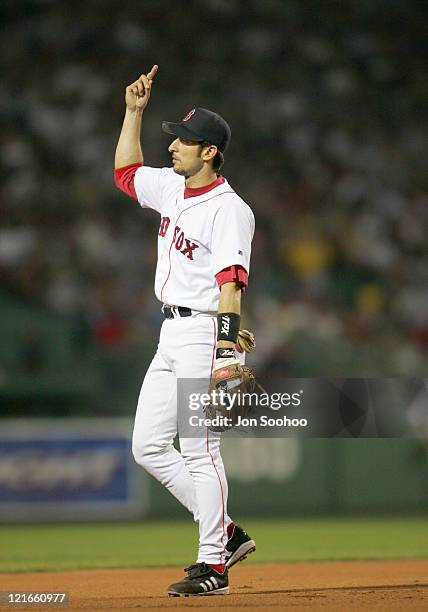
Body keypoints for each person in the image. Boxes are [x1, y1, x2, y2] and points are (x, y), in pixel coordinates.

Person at [114, 65, 256, 597]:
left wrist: (225, 352)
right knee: (148, 447)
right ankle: (227, 532)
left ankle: (213, 566)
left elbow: (231, 285)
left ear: (210, 152)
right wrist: (133, 113)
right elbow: (126, 174)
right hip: (168, 334)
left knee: (200, 449)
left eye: (185, 140)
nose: (173, 145)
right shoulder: (172, 187)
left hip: (202, 334)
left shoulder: (230, 210)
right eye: (175, 136)